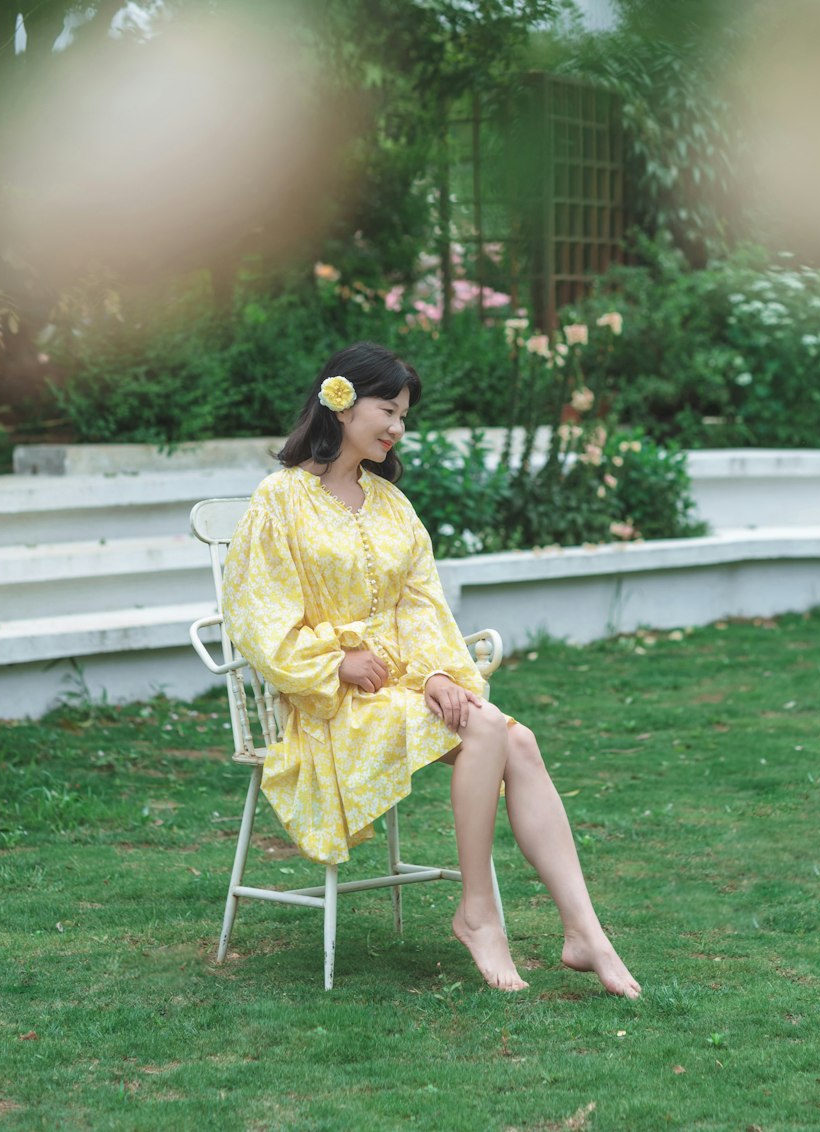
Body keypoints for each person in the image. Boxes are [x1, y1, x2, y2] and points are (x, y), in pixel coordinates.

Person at [221, 340, 640, 997]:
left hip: (401, 691)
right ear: (341, 402)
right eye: (388, 410)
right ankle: (479, 914)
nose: (397, 427)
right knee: (491, 729)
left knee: (515, 739)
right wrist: (335, 662)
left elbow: (422, 609)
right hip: (325, 706)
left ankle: (585, 931)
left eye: (404, 416)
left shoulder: (393, 508)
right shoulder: (279, 501)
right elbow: (256, 616)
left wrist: (443, 675)